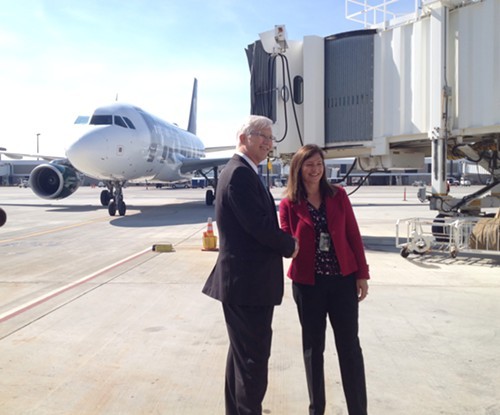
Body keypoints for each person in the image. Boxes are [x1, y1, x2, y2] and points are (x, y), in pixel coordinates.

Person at [202, 115, 298, 415]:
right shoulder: (241, 174)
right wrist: (289, 244)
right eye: (263, 137)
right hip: (248, 287)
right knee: (253, 364)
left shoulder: (242, 171)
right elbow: (257, 226)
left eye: (271, 138)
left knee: (241, 359)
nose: (269, 143)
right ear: (243, 137)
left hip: (245, 285)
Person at [279, 144, 370, 415]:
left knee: (349, 347)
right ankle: (316, 409)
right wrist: (289, 244)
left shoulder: (338, 195)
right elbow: (286, 239)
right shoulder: (289, 204)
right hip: (309, 285)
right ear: (298, 168)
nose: (315, 169)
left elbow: (353, 235)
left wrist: (362, 274)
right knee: (313, 349)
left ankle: (358, 410)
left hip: (342, 281)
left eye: (319, 164)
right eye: (309, 165)